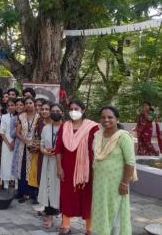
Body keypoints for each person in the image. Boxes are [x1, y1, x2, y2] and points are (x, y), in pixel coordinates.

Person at [55, 100, 99, 235]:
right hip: (67, 168)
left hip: (87, 170)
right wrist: (59, 168)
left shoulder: (93, 127)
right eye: (71, 109)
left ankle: (90, 229)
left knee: (87, 197)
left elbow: (98, 149)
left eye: (77, 108)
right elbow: (58, 149)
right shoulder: (65, 126)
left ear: (83, 110)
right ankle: (66, 225)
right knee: (67, 196)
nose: (73, 111)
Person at [92, 106, 136, 235]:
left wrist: (125, 183)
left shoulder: (123, 137)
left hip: (116, 184)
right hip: (100, 183)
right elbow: (95, 159)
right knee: (101, 211)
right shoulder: (98, 135)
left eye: (110, 117)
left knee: (115, 214)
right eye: (103, 117)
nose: (106, 120)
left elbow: (130, 162)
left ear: (117, 119)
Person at [38, 103, 63, 229]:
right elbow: (41, 144)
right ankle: (50, 216)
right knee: (49, 188)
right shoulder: (46, 128)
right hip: (48, 161)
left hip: (62, 163)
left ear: (62, 113)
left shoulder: (67, 128)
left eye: (58, 111)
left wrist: (58, 151)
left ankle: (63, 216)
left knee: (60, 189)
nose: (55, 113)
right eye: (53, 111)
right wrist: (43, 150)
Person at [15, 97, 40, 203]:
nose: (28, 105)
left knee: (34, 169)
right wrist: (26, 141)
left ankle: (34, 194)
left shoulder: (39, 117)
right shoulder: (21, 116)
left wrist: (35, 144)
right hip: (24, 147)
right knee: (23, 169)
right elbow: (17, 133)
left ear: (34, 104)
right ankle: (23, 193)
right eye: (26, 103)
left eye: (30, 103)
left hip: (35, 147)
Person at [0, 98, 17, 189]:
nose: (10, 107)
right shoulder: (4, 117)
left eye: (12, 105)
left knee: (16, 163)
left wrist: (14, 142)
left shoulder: (20, 117)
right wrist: (8, 143)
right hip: (6, 143)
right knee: (5, 163)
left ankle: (16, 185)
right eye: (9, 105)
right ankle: (5, 184)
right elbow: (2, 132)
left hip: (17, 142)